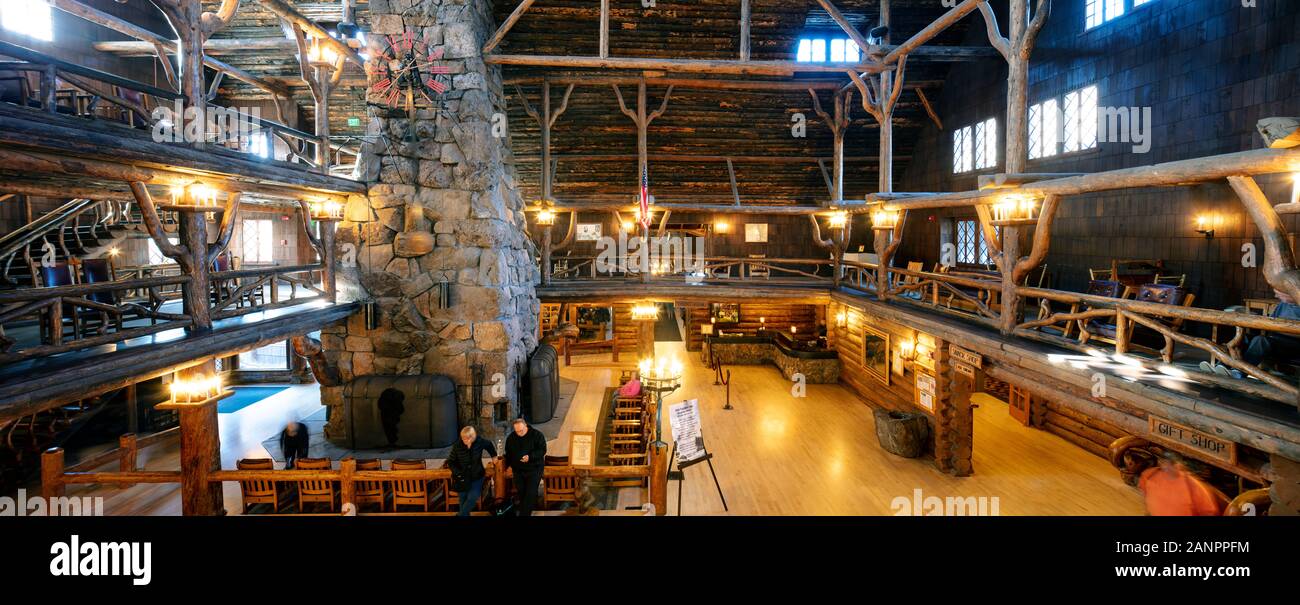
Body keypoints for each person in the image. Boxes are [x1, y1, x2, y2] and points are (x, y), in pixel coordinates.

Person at [1203, 290, 1300, 379]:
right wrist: (1256, 318)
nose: (1276, 295)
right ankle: (1222, 365)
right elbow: (1270, 321)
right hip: (1276, 340)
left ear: (1291, 291)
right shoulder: (1283, 304)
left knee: (1261, 340)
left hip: (1293, 345)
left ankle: (1240, 371)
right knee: (1243, 337)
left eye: (1279, 292)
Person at [1137, 452, 1227, 516]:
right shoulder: (1150, 475)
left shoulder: (1194, 486)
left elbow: (1209, 512)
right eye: (1164, 463)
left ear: (1179, 465)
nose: (1165, 466)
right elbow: (1144, 492)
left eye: (1170, 464)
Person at [446, 426, 498, 516]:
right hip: (462, 477)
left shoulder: (479, 441)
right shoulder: (457, 445)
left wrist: (493, 456)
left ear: (472, 437)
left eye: (466, 438)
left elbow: (489, 444)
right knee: (463, 499)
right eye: (462, 438)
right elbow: (450, 461)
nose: (464, 440)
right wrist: (457, 472)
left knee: (472, 496)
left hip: (477, 475)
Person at [503, 417, 547, 517]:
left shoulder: (537, 435)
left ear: (526, 426)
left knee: (530, 492)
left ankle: (524, 514)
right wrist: (508, 466)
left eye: (521, 430)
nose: (519, 433)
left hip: (534, 468)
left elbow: (542, 450)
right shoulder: (511, 438)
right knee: (521, 491)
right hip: (518, 469)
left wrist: (530, 457)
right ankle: (530, 506)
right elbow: (508, 454)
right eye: (517, 431)